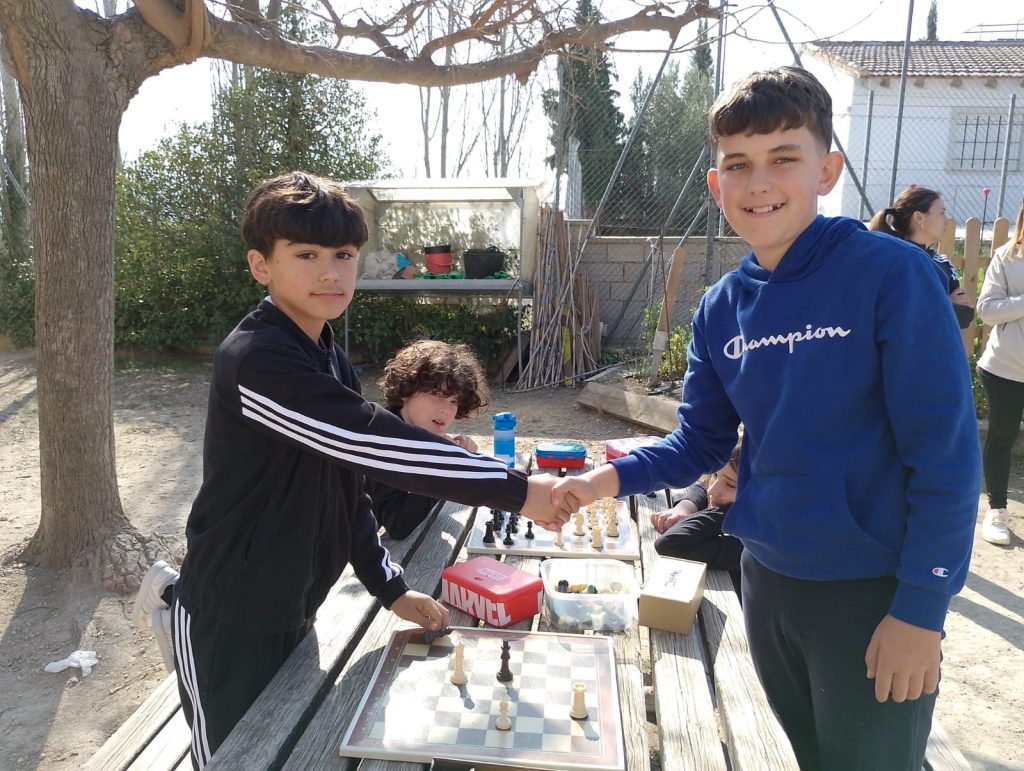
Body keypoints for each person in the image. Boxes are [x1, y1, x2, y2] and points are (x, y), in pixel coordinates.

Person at [551, 67, 980, 770]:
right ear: (716, 184)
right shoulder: (723, 306)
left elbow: (947, 455)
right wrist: (600, 482)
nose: (759, 183)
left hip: (869, 592)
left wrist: (922, 606)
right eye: (738, 165)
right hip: (768, 582)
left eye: (784, 158)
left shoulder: (889, 274)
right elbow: (700, 441)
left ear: (826, 170)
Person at [135, 171, 567, 770]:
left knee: (287, 752)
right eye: (305, 255)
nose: (329, 273)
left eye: (342, 255)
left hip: (293, 603)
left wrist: (390, 587)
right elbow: (370, 443)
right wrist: (515, 490)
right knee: (235, 760)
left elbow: (348, 487)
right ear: (261, 266)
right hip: (229, 615)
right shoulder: (257, 359)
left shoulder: (326, 355)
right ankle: (168, 604)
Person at [369, 339, 486, 539]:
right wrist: (444, 466)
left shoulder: (409, 432)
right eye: (437, 394)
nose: (446, 410)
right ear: (406, 390)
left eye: (454, 401)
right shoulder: (383, 437)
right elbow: (399, 525)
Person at [975, 198, 1024, 546]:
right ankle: (996, 512)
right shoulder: (1006, 257)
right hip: (1004, 369)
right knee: (1002, 437)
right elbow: (987, 310)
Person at [868, 187, 975, 329]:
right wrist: (946, 306)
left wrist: (943, 308)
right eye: (941, 213)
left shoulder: (941, 262)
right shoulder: (897, 259)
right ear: (919, 218)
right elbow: (902, 313)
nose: (947, 221)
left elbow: (965, 314)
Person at [650, 440, 743, 590]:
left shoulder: (751, 545)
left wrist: (731, 513)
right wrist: (685, 507)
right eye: (715, 475)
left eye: (731, 485)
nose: (712, 490)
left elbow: (669, 544)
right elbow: (703, 486)